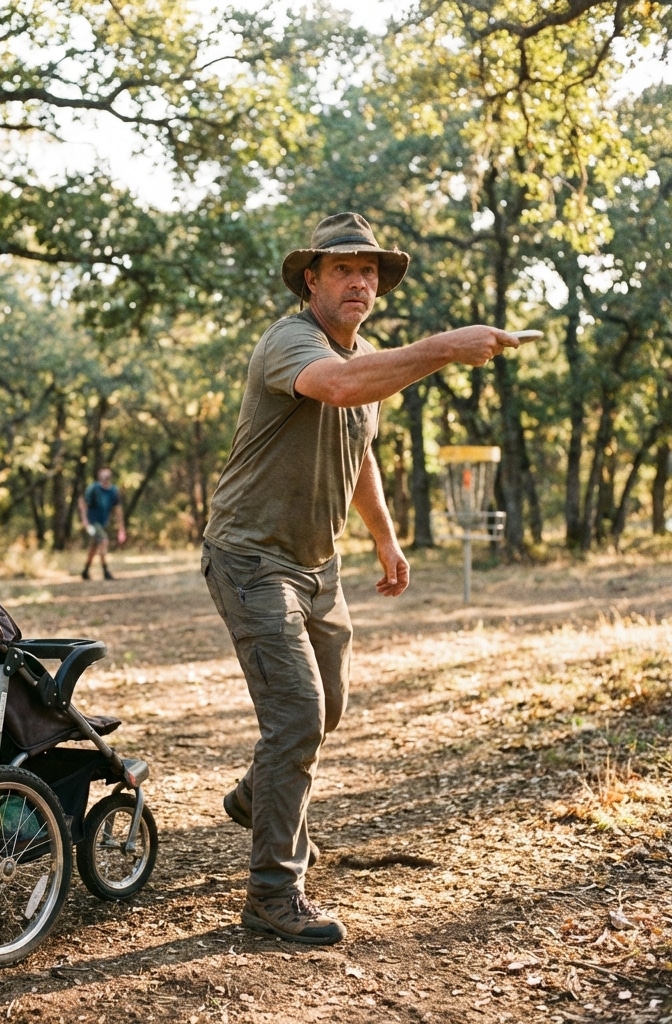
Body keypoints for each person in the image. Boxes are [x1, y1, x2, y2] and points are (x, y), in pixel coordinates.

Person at [201, 212, 531, 946]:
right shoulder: (294, 342)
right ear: (311, 279)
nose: (360, 281)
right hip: (253, 559)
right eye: (344, 268)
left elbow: (359, 445)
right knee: (296, 716)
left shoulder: (368, 357)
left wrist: (386, 539)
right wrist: (446, 347)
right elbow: (343, 389)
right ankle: (272, 894)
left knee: (328, 708)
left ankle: (259, 798)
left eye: (370, 271)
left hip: (320, 567)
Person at [78, 467, 126, 580]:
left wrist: (121, 528)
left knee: (94, 546)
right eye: (103, 477)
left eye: (107, 477)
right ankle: (106, 571)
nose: (105, 479)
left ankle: (85, 571)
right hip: (92, 522)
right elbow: (82, 502)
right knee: (103, 540)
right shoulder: (93, 488)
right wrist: (85, 520)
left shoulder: (113, 491)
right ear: (99, 477)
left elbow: (118, 509)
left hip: (103, 521)